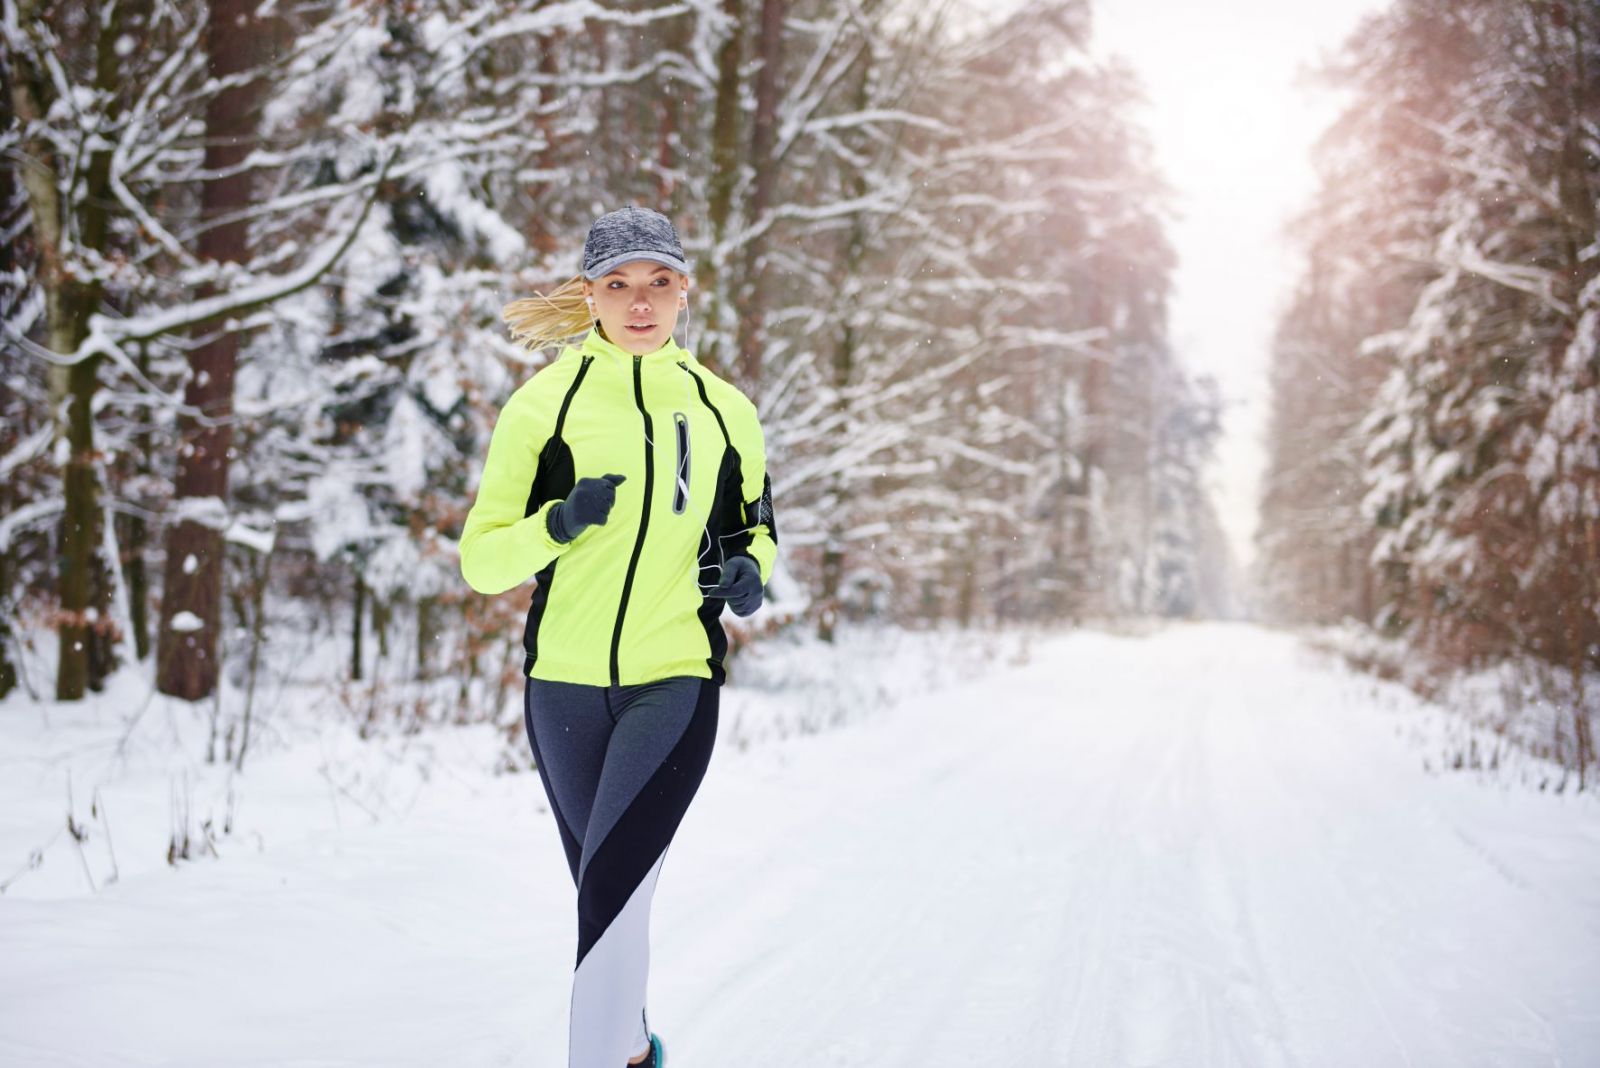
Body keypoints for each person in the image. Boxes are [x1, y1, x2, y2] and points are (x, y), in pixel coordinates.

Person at [459, 206, 779, 1068]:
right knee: (605, 897)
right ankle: (632, 1048)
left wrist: (749, 573)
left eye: (659, 283)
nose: (641, 303)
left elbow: (754, 530)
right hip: (561, 685)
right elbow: (483, 560)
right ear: (591, 297)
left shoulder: (724, 412)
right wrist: (556, 524)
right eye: (619, 285)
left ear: (685, 292)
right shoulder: (545, 406)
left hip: (674, 679)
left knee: (611, 886)